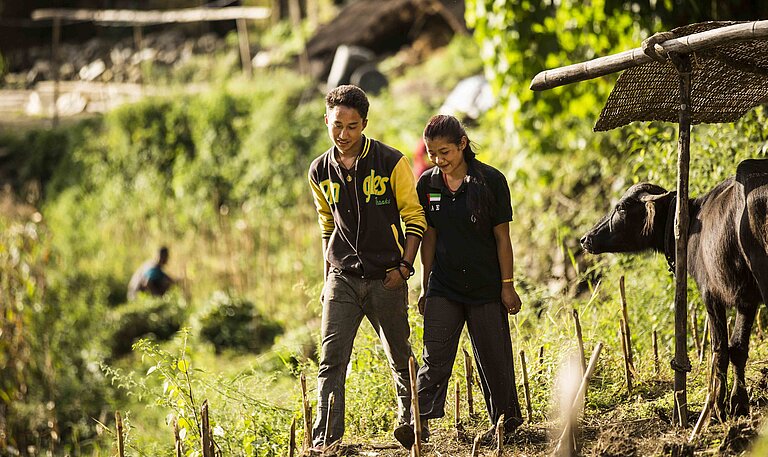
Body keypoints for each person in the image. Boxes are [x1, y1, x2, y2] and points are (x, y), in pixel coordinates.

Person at [307, 85, 427, 450]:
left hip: (385, 278)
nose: (343, 135)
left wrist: (404, 268)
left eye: (352, 127)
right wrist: (327, 279)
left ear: (365, 125)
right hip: (342, 279)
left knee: (399, 355)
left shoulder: (391, 162)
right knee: (330, 360)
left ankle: (412, 425)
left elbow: (415, 218)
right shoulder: (319, 171)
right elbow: (326, 227)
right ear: (326, 119)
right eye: (337, 125)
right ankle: (326, 441)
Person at [415, 114, 524, 444]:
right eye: (432, 153)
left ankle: (506, 423)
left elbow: (502, 238)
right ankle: (417, 423)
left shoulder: (490, 181)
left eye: (445, 152)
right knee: (434, 358)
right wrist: (425, 286)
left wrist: (508, 285)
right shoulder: (428, 184)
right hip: (444, 285)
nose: (439, 160)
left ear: (462, 144)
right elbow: (429, 238)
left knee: (494, 358)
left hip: (485, 285)